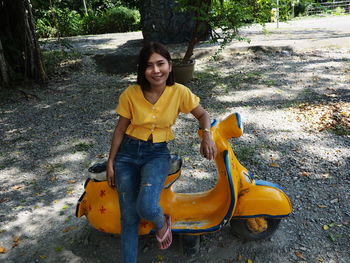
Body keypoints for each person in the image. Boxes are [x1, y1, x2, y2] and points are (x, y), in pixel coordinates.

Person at [106, 42, 217, 263]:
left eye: (160, 64)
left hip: (157, 154)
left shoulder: (179, 92)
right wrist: (111, 162)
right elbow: (120, 129)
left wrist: (207, 135)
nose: (156, 71)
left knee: (146, 206)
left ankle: (161, 223)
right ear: (142, 70)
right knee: (128, 218)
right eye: (149, 66)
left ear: (170, 65)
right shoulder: (131, 93)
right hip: (126, 155)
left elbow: (203, 115)